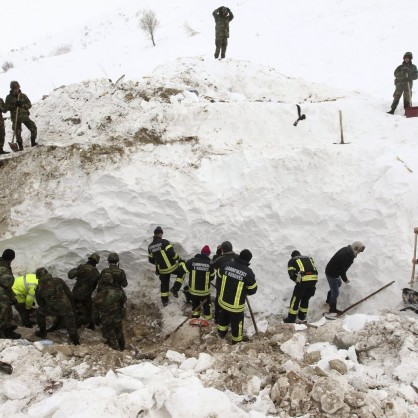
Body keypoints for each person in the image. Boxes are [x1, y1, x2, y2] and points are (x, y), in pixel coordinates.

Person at [217, 249, 257, 344]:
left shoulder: (226, 265)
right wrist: (244, 291)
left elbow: (218, 278)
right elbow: (252, 290)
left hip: (223, 301)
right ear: (248, 260)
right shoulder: (248, 272)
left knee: (223, 317)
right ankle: (237, 341)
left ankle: (221, 333)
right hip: (236, 306)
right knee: (237, 323)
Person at [34, 267, 80, 345]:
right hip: (66, 308)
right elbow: (69, 294)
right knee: (70, 323)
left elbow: (41, 304)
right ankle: (75, 340)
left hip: (52, 309)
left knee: (40, 312)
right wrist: (72, 306)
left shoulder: (39, 288)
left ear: (38, 277)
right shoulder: (59, 281)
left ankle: (42, 332)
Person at [148, 226, 185, 306]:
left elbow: (151, 260)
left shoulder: (150, 246)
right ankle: (175, 288)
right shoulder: (164, 242)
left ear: (154, 234)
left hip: (162, 270)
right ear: (161, 233)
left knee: (164, 284)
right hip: (171, 267)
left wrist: (159, 262)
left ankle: (164, 302)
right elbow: (172, 254)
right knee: (182, 272)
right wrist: (179, 258)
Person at [325, 241, 365, 316]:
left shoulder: (346, 250)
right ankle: (332, 309)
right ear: (355, 248)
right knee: (335, 293)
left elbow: (341, 268)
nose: (358, 253)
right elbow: (342, 271)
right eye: (358, 251)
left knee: (338, 284)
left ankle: (329, 299)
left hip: (333, 271)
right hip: (332, 273)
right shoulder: (348, 257)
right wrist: (345, 279)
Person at [92, 273, 127, 351]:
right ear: (111, 281)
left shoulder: (99, 295)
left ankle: (114, 350)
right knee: (119, 332)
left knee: (109, 334)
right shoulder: (118, 291)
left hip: (106, 319)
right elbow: (124, 300)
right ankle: (122, 348)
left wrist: (96, 320)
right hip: (117, 317)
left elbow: (95, 310)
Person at [283, 250, 318, 323]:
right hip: (314, 279)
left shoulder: (292, 260)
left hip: (304, 280)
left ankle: (291, 318)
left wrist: (297, 282)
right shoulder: (309, 258)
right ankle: (302, 316)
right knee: (306, 298)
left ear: (292, 256)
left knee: (295, 299)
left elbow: (291, 274)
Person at [68, 253, 101, 329]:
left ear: (89, 259)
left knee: (73, 309)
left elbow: (70, 275)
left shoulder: (81, 267)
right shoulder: (96, 273)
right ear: (96, 263)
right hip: (86, 296)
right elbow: (94, 286)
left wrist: (77, 269)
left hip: (75, 294)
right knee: (89, 311)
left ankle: (76, 324)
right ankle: (91, 325)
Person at [183, 245, 215, 320]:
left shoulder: (192, 261)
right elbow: (212, 277)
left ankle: (195, 318)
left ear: (201, 252)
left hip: (193, 291)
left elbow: (184, 270)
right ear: (208, 254)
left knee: (195, 305)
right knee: (207, 306)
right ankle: (208, 320)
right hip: (204, 292)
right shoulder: (209, 264)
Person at [211, 241, 239, 323]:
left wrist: (218, 253)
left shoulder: (221, 259)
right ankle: (230, 319)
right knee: (232, 302)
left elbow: (212, 264)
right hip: (236, 285)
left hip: (222, 285)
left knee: (219, 302)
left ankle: (218, 319)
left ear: (223, 249)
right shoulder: (238, 257)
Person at [5, 81, 38, 151]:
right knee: (17, 133)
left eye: (17, 88)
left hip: (24, 116)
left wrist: (22, 105)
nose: (16, 90)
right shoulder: (9, 97)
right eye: (15, 88)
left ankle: (33, 142)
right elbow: (6, 108)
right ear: (12, 89)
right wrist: (14, 105)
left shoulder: (23, 96)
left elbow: (29, 105)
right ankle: (20, 146)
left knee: (33, 127)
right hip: (15, 118)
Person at [0, 249, 21, 337]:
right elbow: (7, 283)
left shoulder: (4, 264)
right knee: (3, 314)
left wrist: (13, 298)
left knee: (8, 311)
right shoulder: (3, 268)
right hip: (1, 294)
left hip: (4, 292)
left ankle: (7, 327)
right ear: (11, 259)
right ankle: (4, 334)